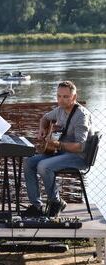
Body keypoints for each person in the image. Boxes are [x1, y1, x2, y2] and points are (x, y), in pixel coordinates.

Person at [23, 81, 93, 217]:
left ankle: (56, 202)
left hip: (79, 157)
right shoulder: (60, 110)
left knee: (44, 166)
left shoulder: (81, 116)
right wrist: (42, 129)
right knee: (28, 162)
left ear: (74, 97)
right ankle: (36, 206)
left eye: (66, 96)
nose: (61, 99)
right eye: (59, 96)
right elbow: (45, 118)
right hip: (60, 153)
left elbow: (80, 146)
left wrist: (58, 144)